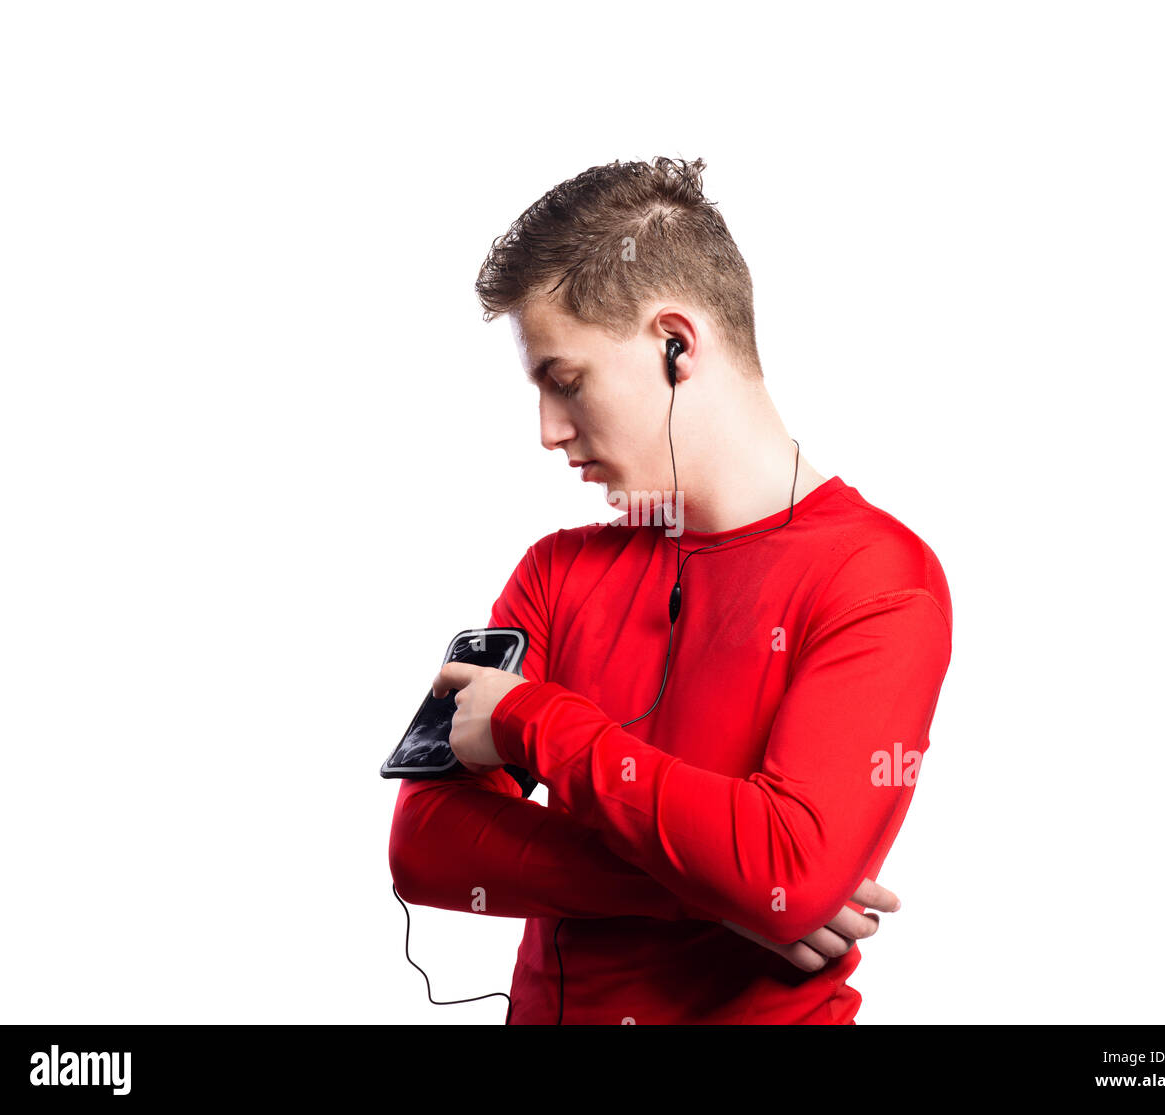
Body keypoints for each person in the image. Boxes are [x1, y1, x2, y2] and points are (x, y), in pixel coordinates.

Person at [387, 157, 953, 1024]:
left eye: (566, 381)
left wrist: (528, 717)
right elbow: (423, 846)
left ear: (675, 345)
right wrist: (716, 892)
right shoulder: (552, 572)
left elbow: (788, 872)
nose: (547, 431)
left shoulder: (880, 578)